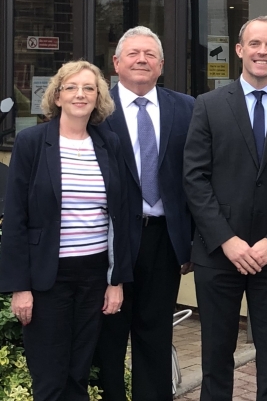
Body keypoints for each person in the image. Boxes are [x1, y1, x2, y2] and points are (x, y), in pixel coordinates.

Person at [183, 15, 267, 401]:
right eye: (254, 44)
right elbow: (194, 178)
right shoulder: (208, 106)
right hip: (219, 254)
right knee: (216, 357)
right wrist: (227, 240)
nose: (262, 51)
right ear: (240, 50)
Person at [0, 60, 131, 401]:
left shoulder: (108, 143)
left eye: (89, 88)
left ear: (98, 97)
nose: (80, 94)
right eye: (71, 87)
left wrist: (115, 280)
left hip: (93, 274)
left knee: (78, 373)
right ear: (57, 96)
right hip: (47, 278)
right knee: (50, 377)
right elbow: (15, 218)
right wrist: (20, 287)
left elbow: (121, 215)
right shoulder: (32, 142)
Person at [92, 26, 195, 401]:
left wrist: (191, 242)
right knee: (110, 336)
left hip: (164, 239)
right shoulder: (96, 110)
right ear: (117, 63)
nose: (141, 60)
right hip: (110, 239)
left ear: (162, 65)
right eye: (133, 53)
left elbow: (198, 177)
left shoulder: (186, 107)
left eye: (150, 54)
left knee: (155, 335)